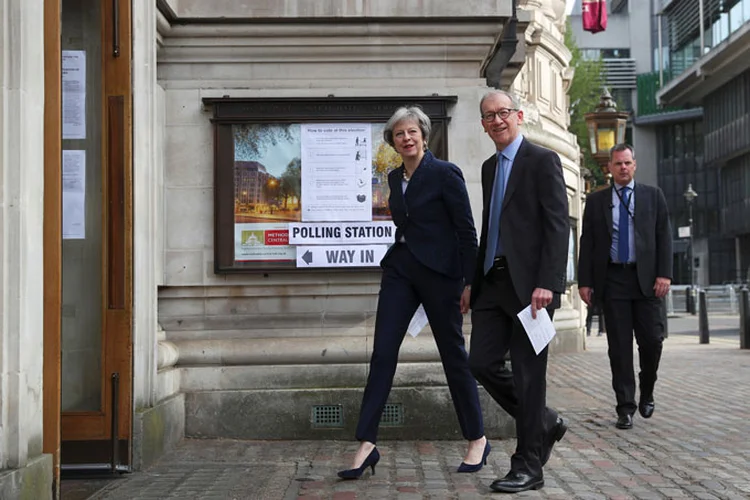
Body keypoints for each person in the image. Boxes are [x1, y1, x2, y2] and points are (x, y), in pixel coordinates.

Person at [337, 106, 488, 480]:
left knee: (454, 355)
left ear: (424, 134)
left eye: (412, 132)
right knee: (383, 352)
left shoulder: (444, 173)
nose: (406, 138)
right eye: (399, 134)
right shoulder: (393, 178)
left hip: (441, 276)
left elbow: (467, 232)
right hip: (401, 272)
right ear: (393, 141)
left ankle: (477, 439)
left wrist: (470, 283)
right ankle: (367, 443)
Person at [468, 90, 570, 494]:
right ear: (483, 124)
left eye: (503, 113)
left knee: (529, 378)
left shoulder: (542, 161)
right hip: (492, 283)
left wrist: (548, 281)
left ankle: (528, 465)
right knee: (480, 363)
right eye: (489, 116)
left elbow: (557, 224)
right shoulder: (490, 167)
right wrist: (471, 282)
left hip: (532, 289)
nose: (497, 120)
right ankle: (544, 421)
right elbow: (490, 227)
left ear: (519, 116)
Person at [577, 143, 672, 430]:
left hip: (646, 282)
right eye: (617, 164)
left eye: (627, 163)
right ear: (610, 167)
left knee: (652, 341)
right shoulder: (596, 202)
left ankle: (648, 390)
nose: (623, 168)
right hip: (614, 281)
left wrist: (664, 275)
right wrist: (585, 282)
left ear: (635, 164)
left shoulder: (653, 197)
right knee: (618, 348)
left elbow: (664, 237)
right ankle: (625, 407)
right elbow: (588, 243)